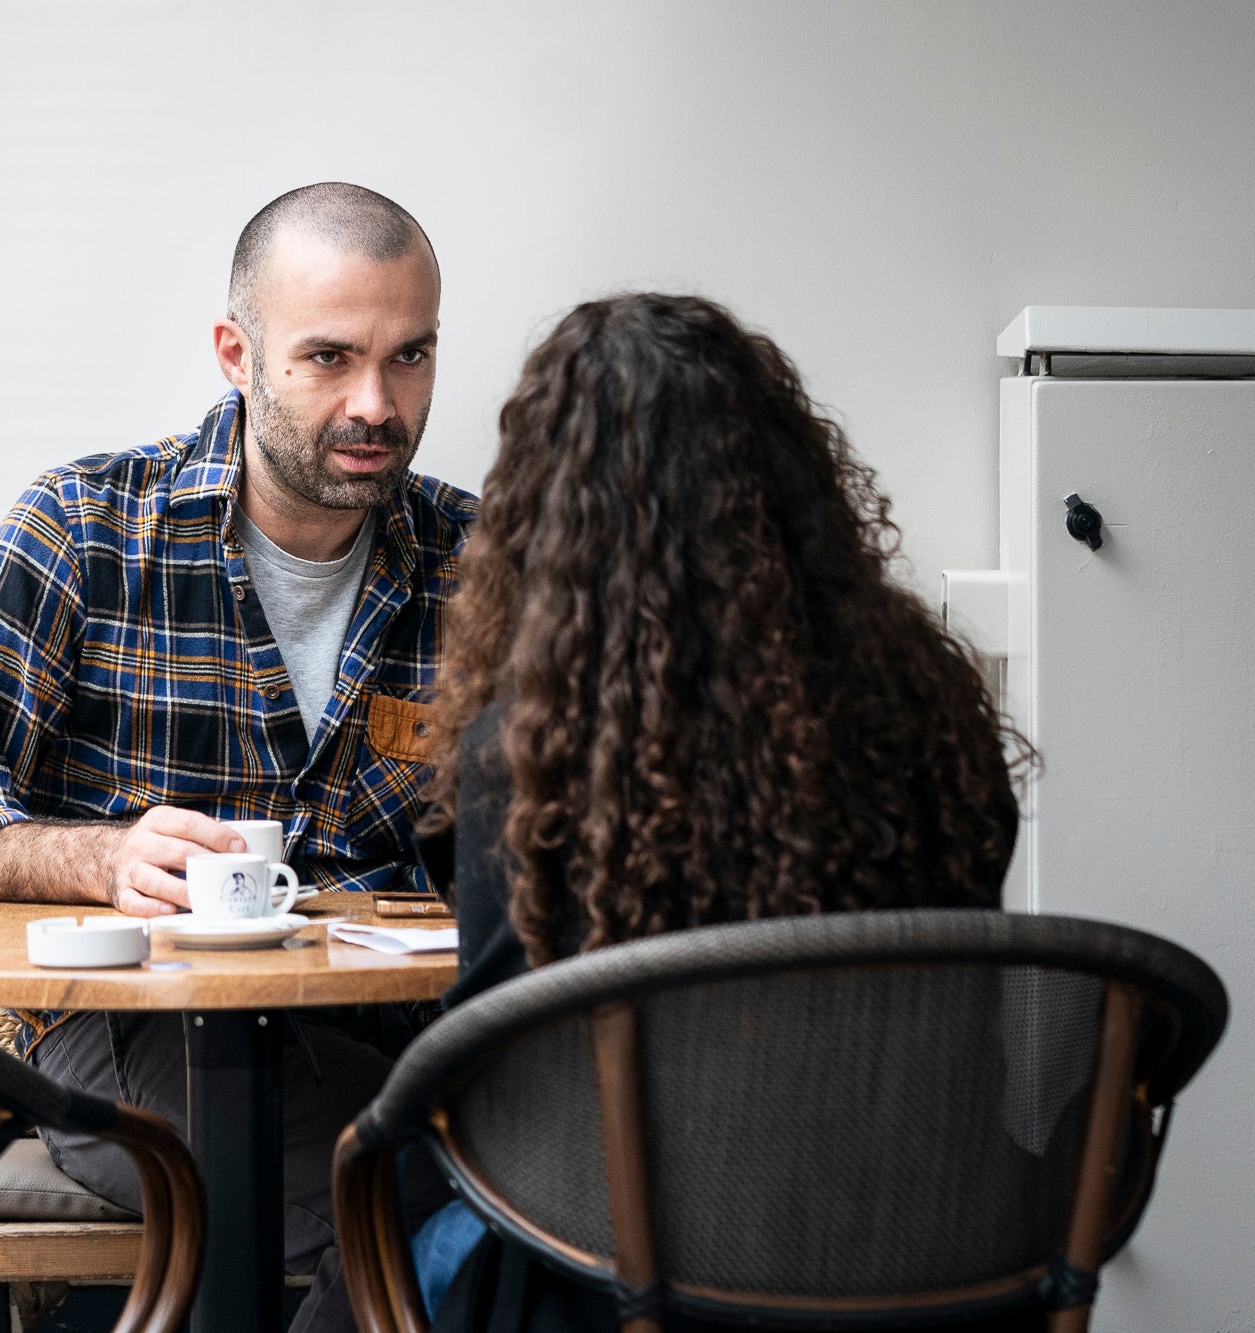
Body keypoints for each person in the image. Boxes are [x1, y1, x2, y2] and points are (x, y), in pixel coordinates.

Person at [0, 182, 472, 1333]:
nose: (374, 404)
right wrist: (97, 861)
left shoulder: (477, 562)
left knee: (501, 1161)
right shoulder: (84, 528)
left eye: (410, 358)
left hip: (401, 1029)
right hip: (129, 1030)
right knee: (421, 1188)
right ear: (235, 353)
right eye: (328, 358)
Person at [412, 293, 1032, 1332]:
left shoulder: (533, 754)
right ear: (785, 485)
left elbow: (487, 1065)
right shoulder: (927, 713)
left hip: (633, 1277)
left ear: (548, 513)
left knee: (378, 1237)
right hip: (921, 1259)